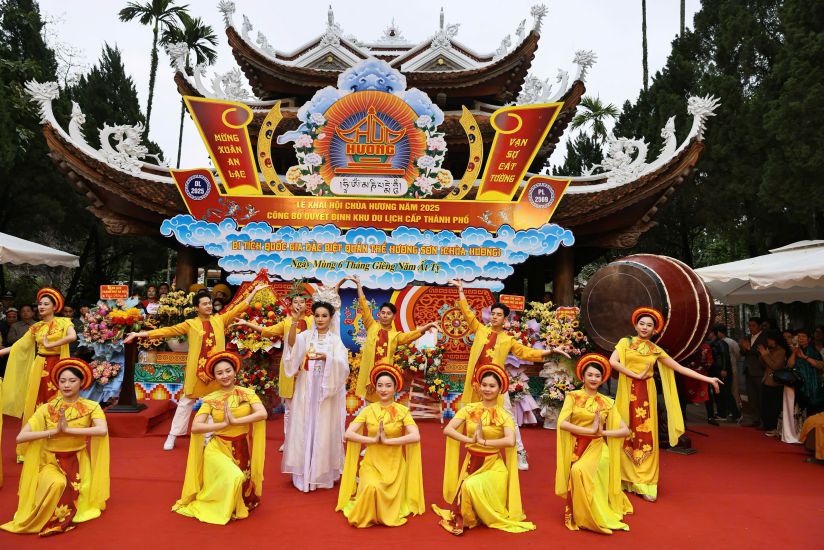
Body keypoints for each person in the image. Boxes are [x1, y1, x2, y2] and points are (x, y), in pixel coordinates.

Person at [124, 283, 267, 450]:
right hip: (196, 372)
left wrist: (253, 292)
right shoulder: (190, 324)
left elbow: (239, 307)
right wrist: (138, 333)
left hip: (215, 372)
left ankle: (208, 436)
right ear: (197, 307)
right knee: (185, 402)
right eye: (204, 304)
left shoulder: (220, 320)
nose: (209, 306)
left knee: (214, 403)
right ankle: (173, 435)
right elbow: (167, 331)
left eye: (209, 303)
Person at [609, 307, 721, 502]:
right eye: (642, 324)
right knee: (625, 431)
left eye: (649, 325)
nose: (644, 327)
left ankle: (645, 482)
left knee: (645, 435)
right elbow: (613, 362)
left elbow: (679, 368)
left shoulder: (655, 350)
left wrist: (708, 379)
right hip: (627, 392)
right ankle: (625, 477)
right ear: (635, 325)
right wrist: (634, 375)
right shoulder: (625, 342)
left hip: (646, 394)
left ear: (655, 330)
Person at [1, 358, 109, 536]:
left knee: (72, 489)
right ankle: (43, 521)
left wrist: (68, 430)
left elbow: (102, 430)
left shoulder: (92, 407)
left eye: (72, 381)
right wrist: (52, 432)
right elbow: (21, 437)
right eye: (62, 381)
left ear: (81, 382)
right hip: (49, 461)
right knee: (58, 483)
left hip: (77, 461)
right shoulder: (47, 408)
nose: (66, 385)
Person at [432, 363, 535, 535]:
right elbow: (448, 429)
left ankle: (476, 517)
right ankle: (472, 517)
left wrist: (484, 442)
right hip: (471, 462)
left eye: (492, 386)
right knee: (468, 486)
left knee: (469, 485)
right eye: (484, 385)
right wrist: (470, 440)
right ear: (479, 386)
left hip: (494, 466)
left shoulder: (504, 415)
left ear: (500, 389)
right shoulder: (469, 409)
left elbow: (510, 440)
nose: (487, 389)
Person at [173, 352, 267, 524]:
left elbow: (262, 413)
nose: (225, 376)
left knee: (242, 481)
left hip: (241, 446)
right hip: (217, 448)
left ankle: (233, 503)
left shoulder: (247, 393)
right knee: (235, 476)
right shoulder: (210, 399)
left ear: (235, 371)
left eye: (228, 371)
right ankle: (218, 507)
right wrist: (222, 425)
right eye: (220, 373)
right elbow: (196, 427)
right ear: (215, 377)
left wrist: (236, 421)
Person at [448, 279, 569, 405]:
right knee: (472, 409)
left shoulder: (508, 339)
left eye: (498, 315)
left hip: (493, 381)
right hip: (475, 377)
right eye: (493, 314)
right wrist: (460, 290)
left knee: (495, 410)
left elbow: (526, 352)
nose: (494, 317)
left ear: (505, 319)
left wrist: (551, 351)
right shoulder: (480, 330)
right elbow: (467, 313)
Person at [336, 363, 424, 528]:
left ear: (395, 388)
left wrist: (388, 441)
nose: (384, 389)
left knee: (380, 490)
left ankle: (383, 512)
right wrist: (372, 440)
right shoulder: (368, 410)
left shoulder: (402, 411)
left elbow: (415, 436)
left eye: (388, 386)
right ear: (375, 388)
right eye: (380, 385)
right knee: (371, 488)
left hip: (394, 466)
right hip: (371, 464)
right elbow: (348, 434)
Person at [556, 354, 632, 534]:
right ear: (582, 376)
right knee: (577, 471)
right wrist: (589, 430)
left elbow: (625, 431)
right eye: (590, 375)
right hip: (577, 444)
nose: (593, 379)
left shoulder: (607, 402)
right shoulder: (572, 397)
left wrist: (602, 433)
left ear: (602, 379)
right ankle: (582, 514)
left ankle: (595, 515)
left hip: (598, 446)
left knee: (579, 470)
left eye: (597, 376)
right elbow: (562, 423)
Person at [233, 287, 313, 452]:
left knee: (308, 407)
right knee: (289, 409)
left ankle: (307, 441)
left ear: (307, 305)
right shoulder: (286, 323)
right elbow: (267, 331)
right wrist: (247, 323)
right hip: (290, 369)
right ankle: (289, 441)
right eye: (295, 302)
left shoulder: (313, 321)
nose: (299, 304)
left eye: (302, 302)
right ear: (290, 305)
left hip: (309, 368)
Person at [1, 289, 77, 458]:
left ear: (54, 307)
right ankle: (34, 446)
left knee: (57, 402)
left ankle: (58, 444)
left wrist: (52, 344)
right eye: (40, 304)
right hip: (40, 367)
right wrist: (1, 352)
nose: (41, 306)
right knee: (36, 403)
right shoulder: (36, 327)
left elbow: (72, 337)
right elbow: (19, 346)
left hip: (58, 366)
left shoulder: (64, 322)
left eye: (46, 304)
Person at [282, 300, 349, 492]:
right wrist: (294, 321)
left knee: (323, 426)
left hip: (325, 391)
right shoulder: (305, 336)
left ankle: (320, 473)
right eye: (317, 315)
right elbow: (291, 346)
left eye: (324, 316)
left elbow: (343, 366)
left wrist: (327, 358)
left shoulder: (335, 341)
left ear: (330, 318)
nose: (320, 319)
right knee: (304, 424)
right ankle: (303, 473)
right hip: (306, 386)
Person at [350, 275, 439, 400]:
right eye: (383, 313)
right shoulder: (371, 326)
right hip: (368, 375)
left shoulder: (395, 336)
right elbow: (364, 306)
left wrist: (427, 327)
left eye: (388, 313)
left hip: (385, 377)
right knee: (369, 406)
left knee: (385, 404)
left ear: (394, 317)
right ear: (379, 314)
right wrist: (359, 286)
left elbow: (411, 336)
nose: (385, 315)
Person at [759, 330, 788, 437]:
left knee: (774, 407)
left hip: (775, 383)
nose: (768, 341)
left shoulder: (781, 351)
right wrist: (763, 355)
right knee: (765, 405)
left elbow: (775, 366)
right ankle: (767, 426)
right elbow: (763, 365)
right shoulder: (770, 350)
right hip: (766, 380)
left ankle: (773, 427)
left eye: (770, 339)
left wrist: (765, 355)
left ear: (775, 340)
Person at [708, 326, 740, 422]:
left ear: (713, 333)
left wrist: (724, 369)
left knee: (725, 392)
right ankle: (721, 413)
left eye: (709, 332)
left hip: (722, 371)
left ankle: (736, 414)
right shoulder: (714, 343)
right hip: (716, 370)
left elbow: (725, 356)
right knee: (718, 393)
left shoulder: (721, 343)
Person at [789, 328, 824, 413]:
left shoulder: (814, 352)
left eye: (803, 336)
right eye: (799, 337)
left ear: (809, 339)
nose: (801, 338)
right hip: (798, 385)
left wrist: (805, 357)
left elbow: (821, 366)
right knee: (800, 411)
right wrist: (794, 352)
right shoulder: (795, 350)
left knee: (812, 411)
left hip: (813, 386)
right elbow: (790, 365)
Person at [743, 317, 768, 428]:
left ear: (759, 326)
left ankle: (763, 421)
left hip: (759, 370)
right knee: (752, 397)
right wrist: (744, 348)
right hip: (748, 370)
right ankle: (755, 419)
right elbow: (743, 351)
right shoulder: (748, 337)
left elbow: (762, 352)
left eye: (753, 325)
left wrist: (749, 348)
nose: (751, 328)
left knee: (761, 397)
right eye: (749, 325)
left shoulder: (764, 337)